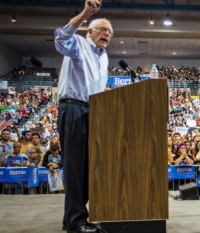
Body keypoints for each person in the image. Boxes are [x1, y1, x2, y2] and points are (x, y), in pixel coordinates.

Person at [54, 0, 111, 232]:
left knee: (90, 167)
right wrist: (86, 13)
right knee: (76, 167)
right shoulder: (78, 43)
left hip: (93, 110)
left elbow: (94, 86)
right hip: (74, 108)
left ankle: (73, 217)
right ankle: (76, 222)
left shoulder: (104, 57)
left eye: (110, 31)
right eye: (103, 29)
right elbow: (60, 38)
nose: (107, 34)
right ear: (90, 31)